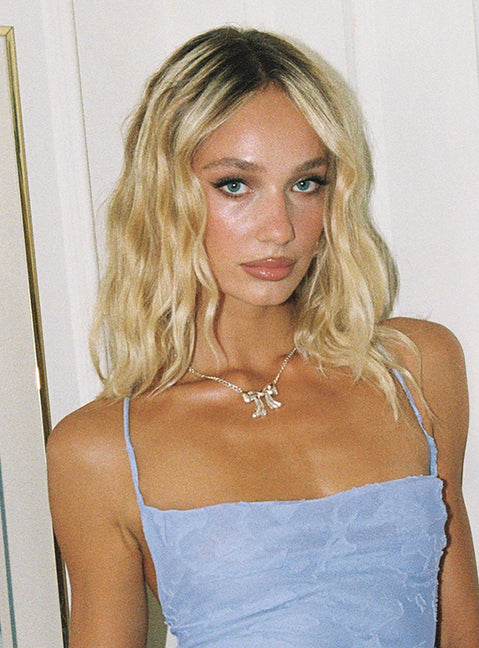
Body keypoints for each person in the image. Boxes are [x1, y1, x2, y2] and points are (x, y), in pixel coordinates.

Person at [47, 26, 479, 648]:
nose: (279, 228)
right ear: (163, 195)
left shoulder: (416, 368)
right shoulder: (101, 450)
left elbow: (462, 627)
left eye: (306, 183)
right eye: (235, 185)